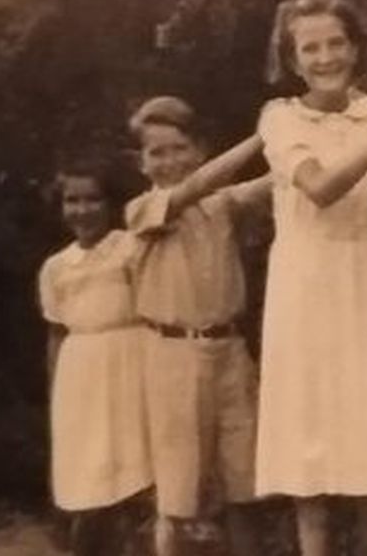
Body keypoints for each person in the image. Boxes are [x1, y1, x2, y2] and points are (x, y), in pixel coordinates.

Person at [255, 0, 367, 556]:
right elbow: (319, 187)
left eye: (336, 43)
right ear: (292, 60)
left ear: (356, 48)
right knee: (309, 469)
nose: (325, 58)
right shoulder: (281, 118)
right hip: (305, 288)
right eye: (310, 49)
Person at [124, 96, 269, 556]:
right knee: (177, 495)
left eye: (180, 148)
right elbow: (200, 185)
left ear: (200, 149)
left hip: (230, 353)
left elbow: (271, 182)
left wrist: (302, 134)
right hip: (174, 358)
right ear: (141, 162)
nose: (170, 161)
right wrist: (264, 135)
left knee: (246, 487)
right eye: (157, 152)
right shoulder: (142, 210)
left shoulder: (221, 205)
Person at [39, 155, 152, 556]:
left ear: (110, 202)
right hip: (80, 373)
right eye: (72, 200)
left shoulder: (129, 248)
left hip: (129, 360)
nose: (82, 210)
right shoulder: (56, 267)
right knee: (88, 475)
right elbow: (56, 332)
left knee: (135, 467)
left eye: (92, 199)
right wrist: (58, 392)